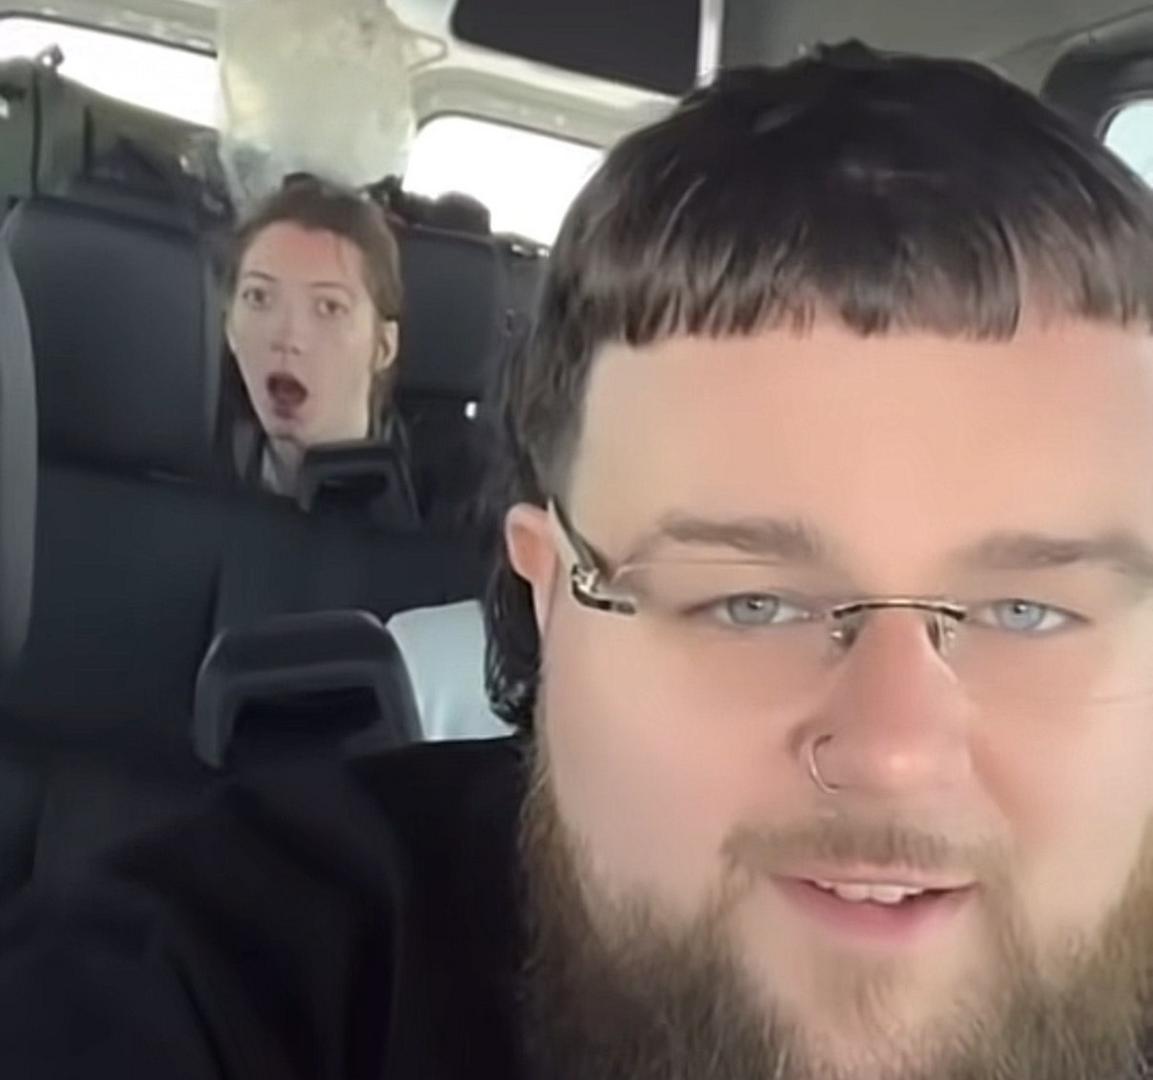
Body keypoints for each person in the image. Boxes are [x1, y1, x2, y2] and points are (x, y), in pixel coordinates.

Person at [4, 41, 1153, 1079]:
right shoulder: (219, 980)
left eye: (1026, 609)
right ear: (548, 597)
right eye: (750, 602)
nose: (893, 751)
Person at [222, 175, 403, 496]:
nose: (288, 337)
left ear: (384, 347)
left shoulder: (446, 508)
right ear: (229, 327)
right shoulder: (188, 480)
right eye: (259, 297)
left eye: (329, 307)